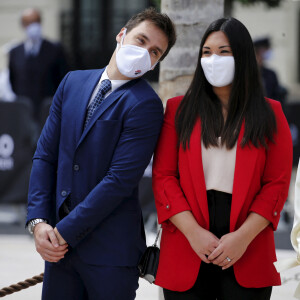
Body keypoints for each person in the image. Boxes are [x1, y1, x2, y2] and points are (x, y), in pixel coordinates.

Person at [26, 7, 176, 300]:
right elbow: (45, 155)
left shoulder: (145, 104)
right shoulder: (72, 82)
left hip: (110, 255)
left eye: (155, 52)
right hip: (60, 252)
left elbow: (119, 180)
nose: (145, 52)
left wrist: (63, 232)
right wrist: (39, 221)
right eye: (141, 40)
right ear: (122, 34)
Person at [152, 17, 293, 300]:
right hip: (187, 236)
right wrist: (193, 233)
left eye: (223, 52)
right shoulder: (178, 110)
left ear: (241, 55)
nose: (213, 59)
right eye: (206, 52)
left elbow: (276, 183)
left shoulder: (270, 113)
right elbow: (164, 176)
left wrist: (242, 237)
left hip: (248, 238)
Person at [9, 8, 68, 120]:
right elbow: (13, 80)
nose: (33, 26)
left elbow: (63, 77)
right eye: (28, 22)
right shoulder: (15, 52)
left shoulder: (55, 49)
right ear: (23, 25)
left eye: (36, 21)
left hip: (48, 110)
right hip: (23, 112)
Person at [254, 37, 287, 106]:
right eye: (267, 49)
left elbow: (276, 96)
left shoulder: (271, 74)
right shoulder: (247, 73)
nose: (269, 52)